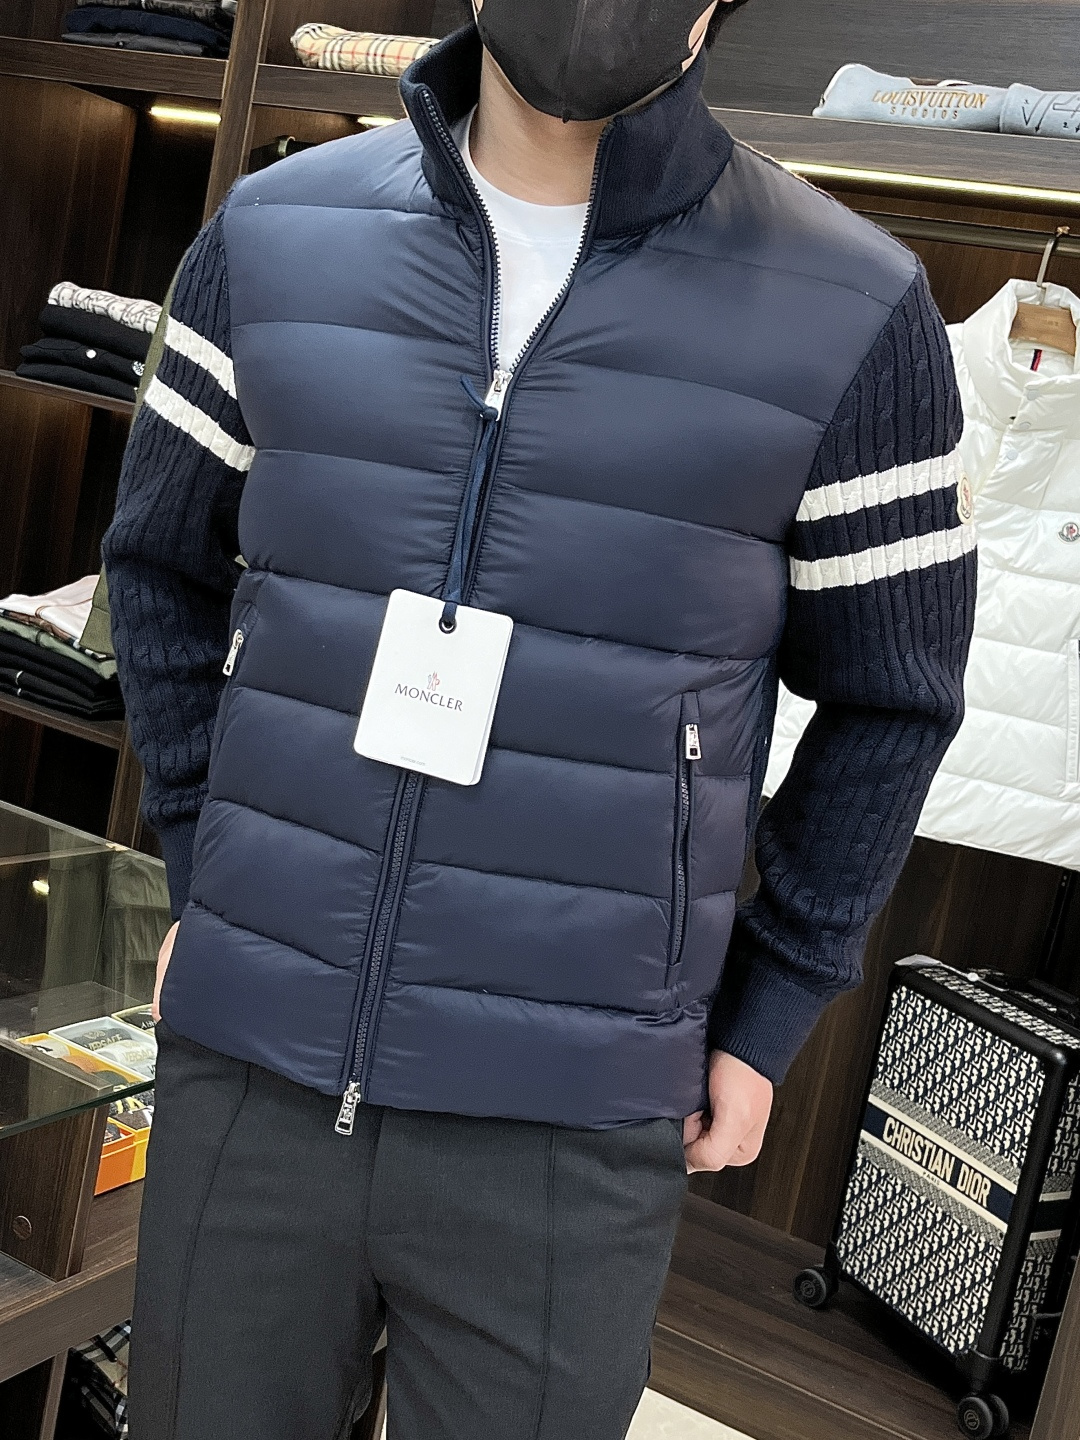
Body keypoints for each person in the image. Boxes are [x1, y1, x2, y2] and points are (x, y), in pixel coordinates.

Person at [102, 2, 976, 1436]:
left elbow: (895, 700)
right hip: (253, 1065)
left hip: (572, 1116)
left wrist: (767, 1005)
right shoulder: (269, 235)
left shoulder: (855, 310)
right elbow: (157, 566)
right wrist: (209, 862)